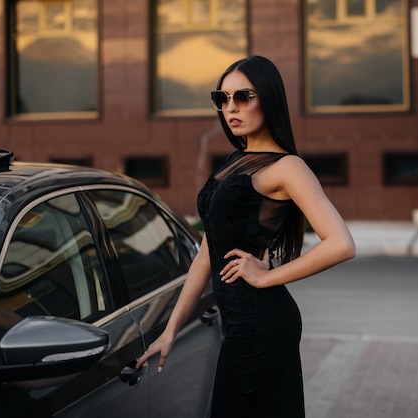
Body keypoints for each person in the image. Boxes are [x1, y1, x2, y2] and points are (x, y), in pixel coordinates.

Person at [136, 55, 355, 417]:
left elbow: (341, 244)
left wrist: (267, 276)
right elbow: (208, 252)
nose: (230, 108)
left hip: (263, 324)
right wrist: (171, 328)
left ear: (267, 98)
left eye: (243, 97)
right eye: (222, 99)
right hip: (238, 323)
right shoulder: (235, 160)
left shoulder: (287, 167)